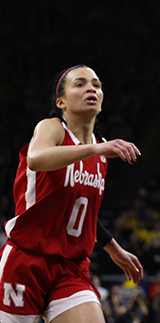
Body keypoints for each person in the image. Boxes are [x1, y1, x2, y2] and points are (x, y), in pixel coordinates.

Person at [0, 65, 144, 323]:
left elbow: (83, 211)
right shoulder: (52, 128)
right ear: (61, 102)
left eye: (96, 85)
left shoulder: (101, 151)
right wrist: (94, 150)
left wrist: (114, 249)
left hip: (70, 268)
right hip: (27, 260)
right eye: (79, 84)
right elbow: (35, 158)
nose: (91, 88)